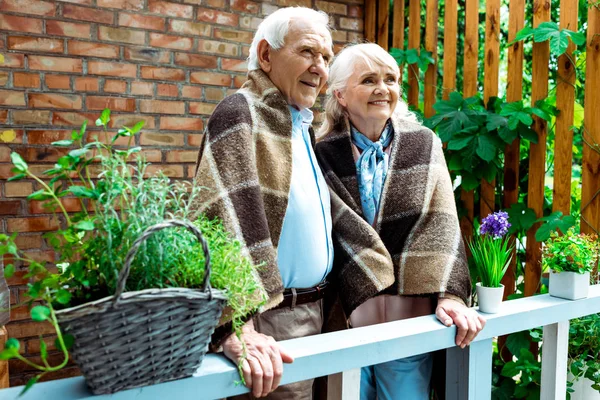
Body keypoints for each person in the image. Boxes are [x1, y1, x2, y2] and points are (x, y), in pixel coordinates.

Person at [314, 43, 486, 400]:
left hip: (410, 321)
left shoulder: (423, 143)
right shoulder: (321, 151)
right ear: (341, 95)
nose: (383, 88)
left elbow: (443, 222)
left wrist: (451, 293)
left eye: (390, 79)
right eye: (369, 79)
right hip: (347, 319)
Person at [192, 7, 335, 400]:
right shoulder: (241, 111)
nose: (319, 67)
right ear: (267, 55)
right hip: (269, 324)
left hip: (314, 314)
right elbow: (219, 219)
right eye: (307, 51)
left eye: (326, 58)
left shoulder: (299, 122)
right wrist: (237, 324)